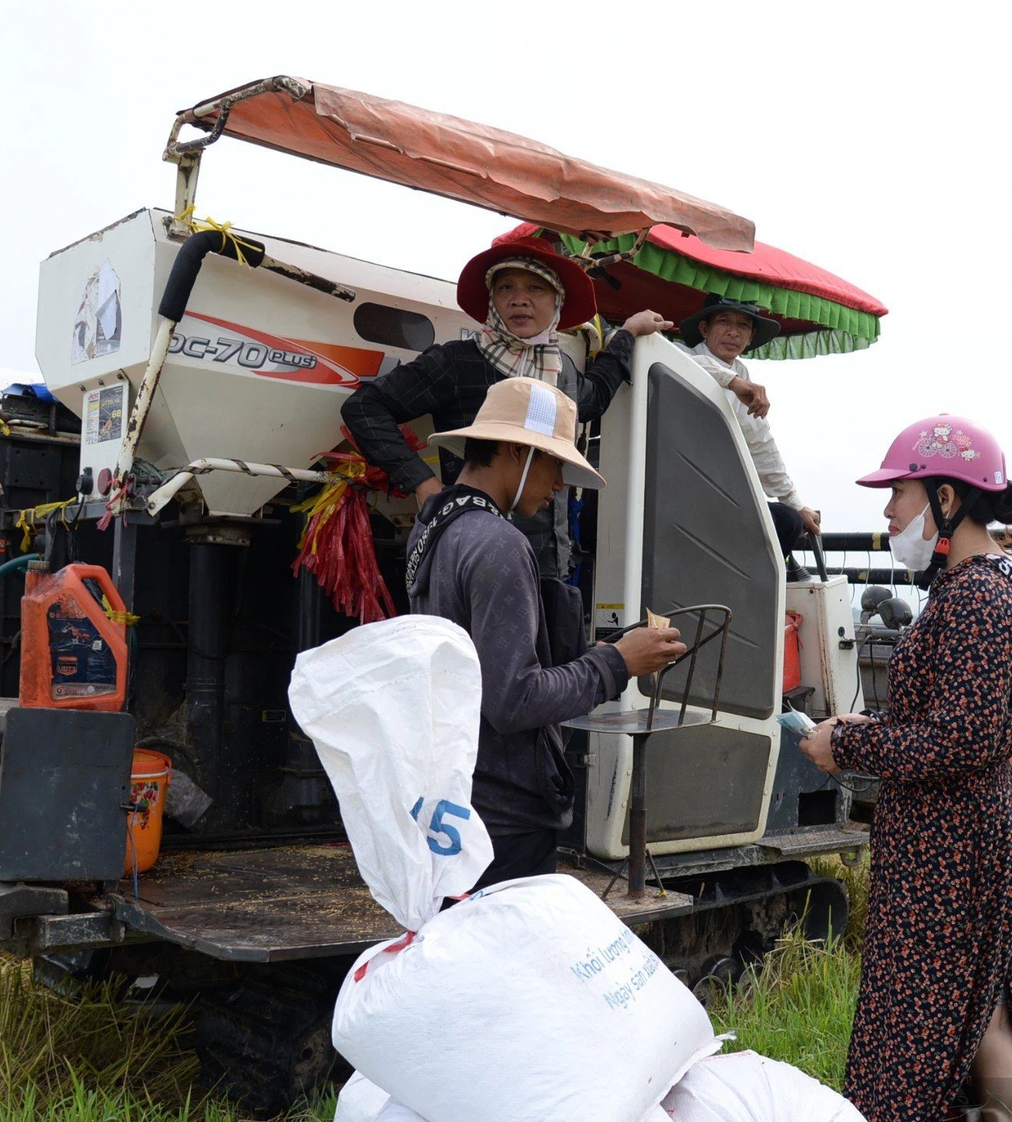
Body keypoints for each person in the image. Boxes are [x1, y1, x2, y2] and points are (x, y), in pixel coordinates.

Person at [798, 415, 1012, 1122]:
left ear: (946, 498)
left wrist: (846, 741)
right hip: (952, 830)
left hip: (958, 836)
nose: (886, 517)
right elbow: (949, 720)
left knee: (979, 1011)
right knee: (974, 1003)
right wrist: (866, 726)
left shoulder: (975, 599)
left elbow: (962, 738)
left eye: (897, 497)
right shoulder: (974, 588)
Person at [405, 375, 686, 888]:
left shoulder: (432, 529)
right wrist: (618, 663)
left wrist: (597, 654)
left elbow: (480, 673)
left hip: (454, 805)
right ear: (517, 451)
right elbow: (514, 701)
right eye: (556, 464)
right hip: (506, 824)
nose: (560, 485)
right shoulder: (500, 543)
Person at [343, 236, 673, 580]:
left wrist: (628, 334)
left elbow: (595, 396)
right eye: (505, 289)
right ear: (492, 301)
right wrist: (421, 482)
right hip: (474, 556)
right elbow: (365, 407)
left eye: (536, 288)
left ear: (557, 300)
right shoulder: (457, 361)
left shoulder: (563, 370)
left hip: (548, 565)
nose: (519, 300)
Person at [675, 294, 820, 570]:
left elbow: (762, 446)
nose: (733, 331)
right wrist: (733, 382)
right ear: (705, 329)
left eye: (743, 325)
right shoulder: (682, 357)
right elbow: (684, 362)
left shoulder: (742, 377)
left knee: (787, 521)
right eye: (724, 321)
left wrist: (797, 504)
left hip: (720, 494)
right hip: (678, 488)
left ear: (751, 336)